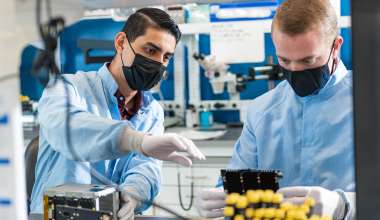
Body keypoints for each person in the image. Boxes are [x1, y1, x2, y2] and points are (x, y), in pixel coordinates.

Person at [30, 8, 205, 220]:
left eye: (166, 57)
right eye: (150, 50)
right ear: (121, 43)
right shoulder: (67, 87)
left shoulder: (152, 112)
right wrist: (133, 140)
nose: (158, 63)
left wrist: (133, 195)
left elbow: (145, 170)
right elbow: (67, 128)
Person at [195, 0, 355, 219]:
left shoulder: (368, 103)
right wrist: (220, 199)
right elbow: (240, 184)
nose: (295, 70)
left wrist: (344, 205)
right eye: (284, 60)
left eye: (308, 60)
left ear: (336, 46)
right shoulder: (262, 110)